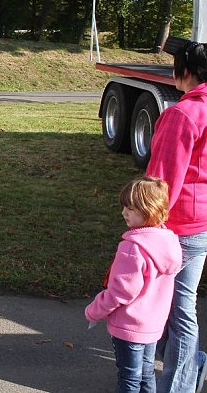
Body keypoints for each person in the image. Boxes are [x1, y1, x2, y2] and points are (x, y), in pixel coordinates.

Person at [147, 40, 207, 392]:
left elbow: (161, 179)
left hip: (179, 224)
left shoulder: (182, 114)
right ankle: (191, 370)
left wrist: (146, 225)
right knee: (182, 304)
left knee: (178, 309)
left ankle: (178, 385)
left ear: (183, 72)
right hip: (201, 223)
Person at [86, 177, 182, 393]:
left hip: (129, 327)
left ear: (148, 210)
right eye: (124, 207)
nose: (123, 213)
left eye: (130, 208)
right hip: (153, 325)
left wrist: (94, 311)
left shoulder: (132, 248)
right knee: (146, 372)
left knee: (128, 376)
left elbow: (120, 292)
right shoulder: (169, 243)